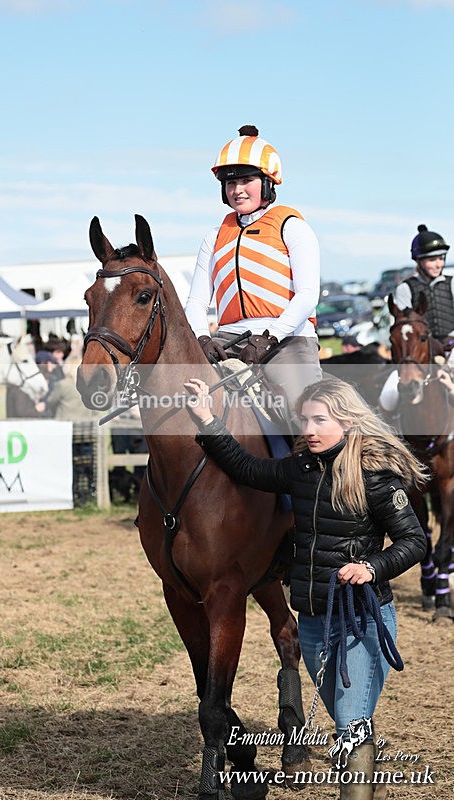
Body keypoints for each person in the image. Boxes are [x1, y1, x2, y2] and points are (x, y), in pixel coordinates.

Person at [184, 375, 427, 799]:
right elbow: (247, 469)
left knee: (350, 723)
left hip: (362, 617)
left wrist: (372, 567)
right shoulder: (300, 468)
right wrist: (206, 418)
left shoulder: (375, 474)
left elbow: (414, 541)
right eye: (305, 421)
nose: (309, 430)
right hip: (313, 620)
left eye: (320, 420)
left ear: (347, 421)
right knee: (345, 716)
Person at [185, 125, 322, 411]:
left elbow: (308, 295)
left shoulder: (292, 227)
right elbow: (196, 301)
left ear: (268, 183)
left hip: (288, 341)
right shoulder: (213, 237)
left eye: (246, 180)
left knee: (302, 413)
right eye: (230, 183)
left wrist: (268, 338)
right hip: (227, 341)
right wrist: (202, 337)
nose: (237, 190)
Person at [380, 223, 451, 412]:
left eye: (441, 258)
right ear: (418, 261)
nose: (439, 264)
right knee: (387, 398)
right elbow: (404, 328)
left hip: (451, 349)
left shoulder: (451, 284)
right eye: (432, 260)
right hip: (419, 353)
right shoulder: (405, 288)